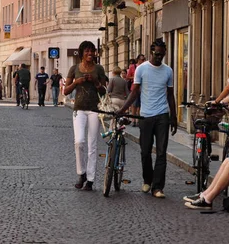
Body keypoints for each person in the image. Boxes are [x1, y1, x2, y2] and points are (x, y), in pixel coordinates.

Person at [117, 40, 176, 199]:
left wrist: (174, 117)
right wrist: (123, 110)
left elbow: (171, 95)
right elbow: (134, 92)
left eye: (162, 54)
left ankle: (158, 187)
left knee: (162, 152)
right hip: (145, 116)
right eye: (156, 54)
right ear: (151, 52)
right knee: (145, 152)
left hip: (162, 115)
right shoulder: (141, 69)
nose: (159, 57)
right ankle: (147, 180)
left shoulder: (168, 71)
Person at [64, 41, 107, 191]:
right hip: (79, 109)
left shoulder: (99, 69)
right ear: (82, 53)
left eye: (92, 51)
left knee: (92, 145)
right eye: (87, 51)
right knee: (79, 142)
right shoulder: (74, 69)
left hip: (94, 109)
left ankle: (90, 179)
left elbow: (104, 91)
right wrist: (76, 82)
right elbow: (65, 91)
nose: (90, 54)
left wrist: (95, 82)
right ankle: (81, 173)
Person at [129, 54, 146, 126]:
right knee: (134, 105)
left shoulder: (145, 67)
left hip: (143, 88)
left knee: (141, 105)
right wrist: (135, 77)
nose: (143, 61)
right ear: (138, 60)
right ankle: (133, 119)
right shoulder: (133, 67)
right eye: (142, 59)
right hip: (135, 88)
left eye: (144, 59)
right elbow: (128, 76)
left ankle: (138, 119)